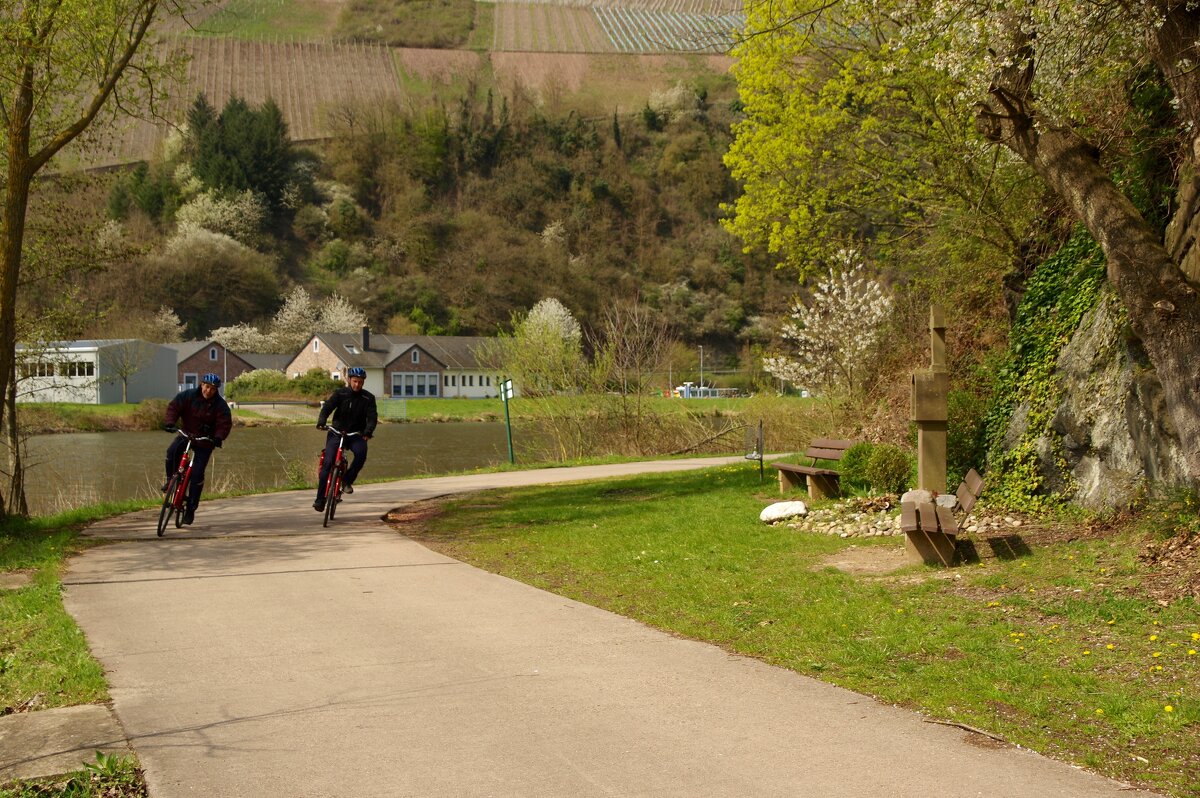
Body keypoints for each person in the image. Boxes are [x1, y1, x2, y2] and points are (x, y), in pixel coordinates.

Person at [163, 373, 232, 525]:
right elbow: (174, 407)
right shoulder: (188, 396)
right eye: (207, 387)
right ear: (201, 384)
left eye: (213, 389)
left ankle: (190, 509)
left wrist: (218, 437)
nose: (209, 391)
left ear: (216, 390)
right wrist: (170, 422)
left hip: (205, 441)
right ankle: (170, 481)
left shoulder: (220, 405)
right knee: (171, 452)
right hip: (187, 434)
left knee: (197, 474)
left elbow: (224, 423)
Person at [314, 366, 377, 512]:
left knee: (361, 455)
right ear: (349, 380)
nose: (357, 385)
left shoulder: (368, 398)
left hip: (355, 435)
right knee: (328, 463)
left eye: (360, 382)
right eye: (355, 381)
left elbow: (372, 418)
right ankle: (320, 499)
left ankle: (347, 481)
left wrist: (367, 432)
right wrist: (321, 421)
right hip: (336, 433)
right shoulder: (340, 393)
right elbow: (327, 407)